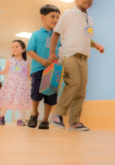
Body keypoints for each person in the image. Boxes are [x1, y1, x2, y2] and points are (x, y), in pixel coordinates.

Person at [50, 0, 104, 131]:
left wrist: (96, 45)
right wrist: (52, 52)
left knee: (81, 90)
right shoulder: (69, 14)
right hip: (69, 54)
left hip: (83, 58)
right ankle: (57, 113)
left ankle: (74, 122)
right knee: (73, 82)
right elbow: (56, 33)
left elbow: (88, 37)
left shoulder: (89, 20)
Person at [27, 4, 61, 130]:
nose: (56, 20)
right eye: (52, 16)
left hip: (53, 71)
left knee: (50, 96)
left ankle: (45, 120)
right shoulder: (36, 34)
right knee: (36, 94)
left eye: (58, 17)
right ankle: (34, 113)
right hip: (38, 70)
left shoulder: (58, 36)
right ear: (43, 17)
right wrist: (41, 61)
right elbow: (30, 51)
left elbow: (61, 50)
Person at [0, 40, 31, 126]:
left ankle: (19, 120)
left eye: (16, 47)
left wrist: (35, 80)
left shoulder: (26, 62)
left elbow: (28, 75)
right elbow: (5, 71)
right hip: (11, 84)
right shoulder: (10, 60)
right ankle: (2, 117)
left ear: (23, 49)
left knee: (19, 101)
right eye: (12, 47)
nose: (14, 49)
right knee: (7, 100)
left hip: (21, 85)